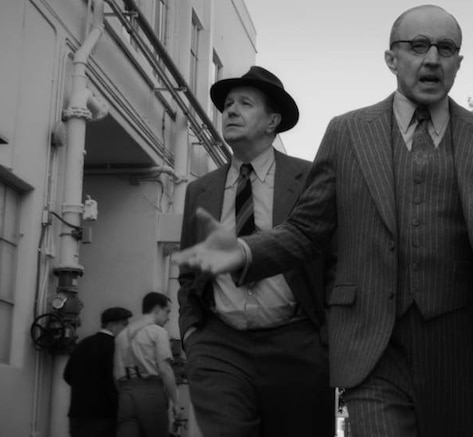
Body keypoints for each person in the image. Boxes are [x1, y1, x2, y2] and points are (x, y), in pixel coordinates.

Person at [173, 4, 473, 437]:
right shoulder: (347, 133)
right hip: (371, 345)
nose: (432, 58)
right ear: (391, 58)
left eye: (446, 48)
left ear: (459, 63)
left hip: (456, 344)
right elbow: (306, 230)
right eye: (418, 46)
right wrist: (248, 250)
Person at [178, 65, 333, 437]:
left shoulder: (310, 178)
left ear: (272, 121)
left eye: (245, 104)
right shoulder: (200, 191)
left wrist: (325, 339)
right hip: (220, 344)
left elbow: (334, 260)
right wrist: (191, 335)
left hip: (296, 346)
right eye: (228, 104)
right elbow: (189, 274)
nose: (230, 110)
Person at [114, 292, 179, 437]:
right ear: (157, 309)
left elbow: (115, 374)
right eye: (167, 312)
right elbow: (165, 369)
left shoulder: (122, 335)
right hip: (150, 392)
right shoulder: (158, 332)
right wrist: (175, 401)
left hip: (125, 394)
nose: (168, 318)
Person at [63, 306, 132, 437]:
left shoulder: (83, 344)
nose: (127, 330)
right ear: (112, 325)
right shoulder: (115, 347)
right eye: (124, 325)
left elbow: (67, 375)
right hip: (105, 415)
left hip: (78, 414)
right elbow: (115, 381)